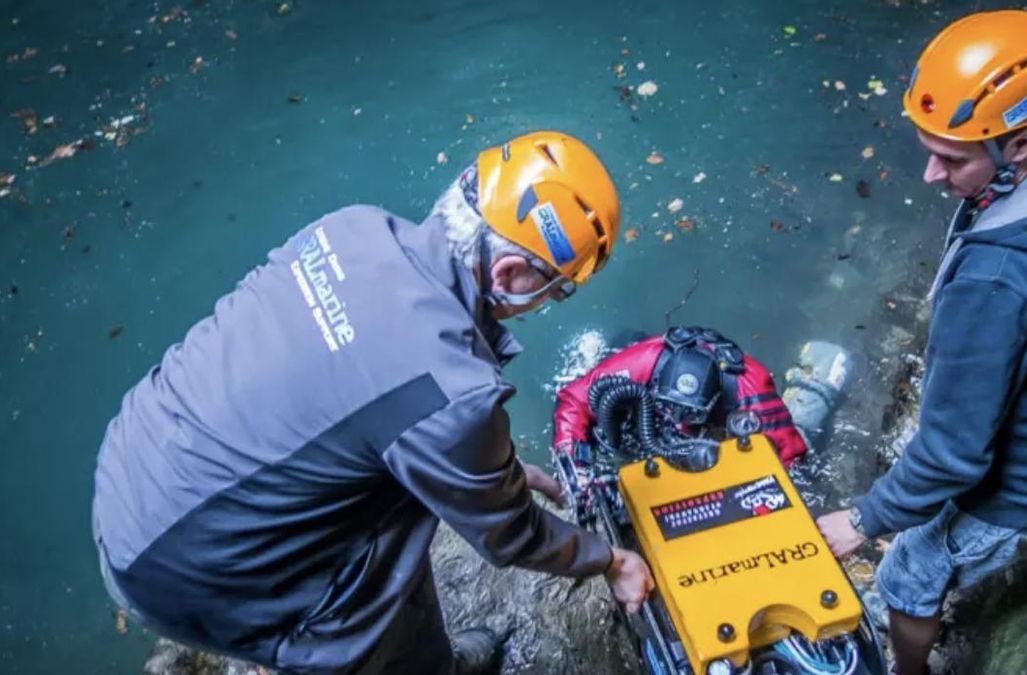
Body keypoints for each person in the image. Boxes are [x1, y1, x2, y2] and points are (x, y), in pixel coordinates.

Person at [91, 131, 655, 675]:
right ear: (508, 273)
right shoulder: (454, 394)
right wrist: (612, 560)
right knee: (373, 603)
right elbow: (510, 535)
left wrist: (488, 471)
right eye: (552, 289)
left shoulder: (352, 229)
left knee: (396, 495)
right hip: (180, 568)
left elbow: (365, 390)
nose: (543, 303)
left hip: (132, 465)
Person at [816, 11, 1027, 675]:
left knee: (908, 576)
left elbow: (954, 458)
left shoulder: (993, 287)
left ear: (1022, 143)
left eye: (953, 157)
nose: (932, 177)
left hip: (1024, 485)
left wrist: (864, 517)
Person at [551, 326, 851, 484]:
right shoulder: (646, 360)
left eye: (689, 415)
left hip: (724, 424)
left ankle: (819, 374)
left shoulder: (749, 389)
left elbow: (790, 459)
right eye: (673, 410)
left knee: (805, 444)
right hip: (646, 395)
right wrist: (573, 464)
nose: (679, 419)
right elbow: (573, 398)